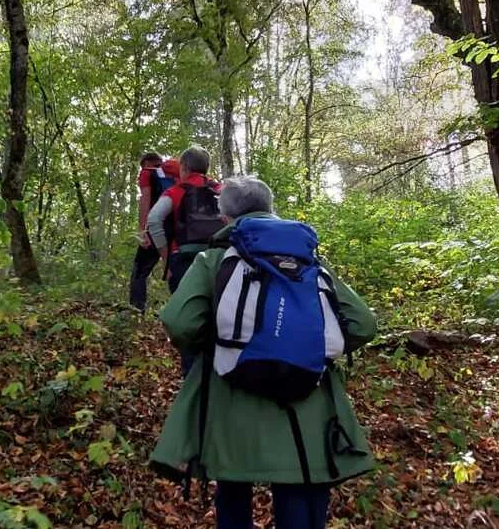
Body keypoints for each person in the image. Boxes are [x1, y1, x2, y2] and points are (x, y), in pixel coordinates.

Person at [150, 176, 377, 529]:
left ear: (225, 217)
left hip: (230, 400)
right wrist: (308, 345)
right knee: (300, 495)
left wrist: (222, 340)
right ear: (272, 209)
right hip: (305, 404)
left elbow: (180, 322)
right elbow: (363, 324)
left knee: (231, 490)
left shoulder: (214, 259)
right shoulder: (308, 260)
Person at [146, 145, 225, 375]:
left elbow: (154, 220)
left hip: (183, 262)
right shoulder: (221, 191)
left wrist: (166, 258)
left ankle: (191, 377)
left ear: (184, 167)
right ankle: (217, 374)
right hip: (219, 262)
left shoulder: (176, 191)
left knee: (188, 321)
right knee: (218, 318)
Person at [130, 151, 179, 312]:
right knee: (176, 272)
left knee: (139, 273)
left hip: (155, 227)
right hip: (177, 231)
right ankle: (180, 311)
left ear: (146, 163)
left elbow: (145, 199)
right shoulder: (176, 175)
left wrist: (142, 230)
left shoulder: (147, 173)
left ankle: (136, 311)